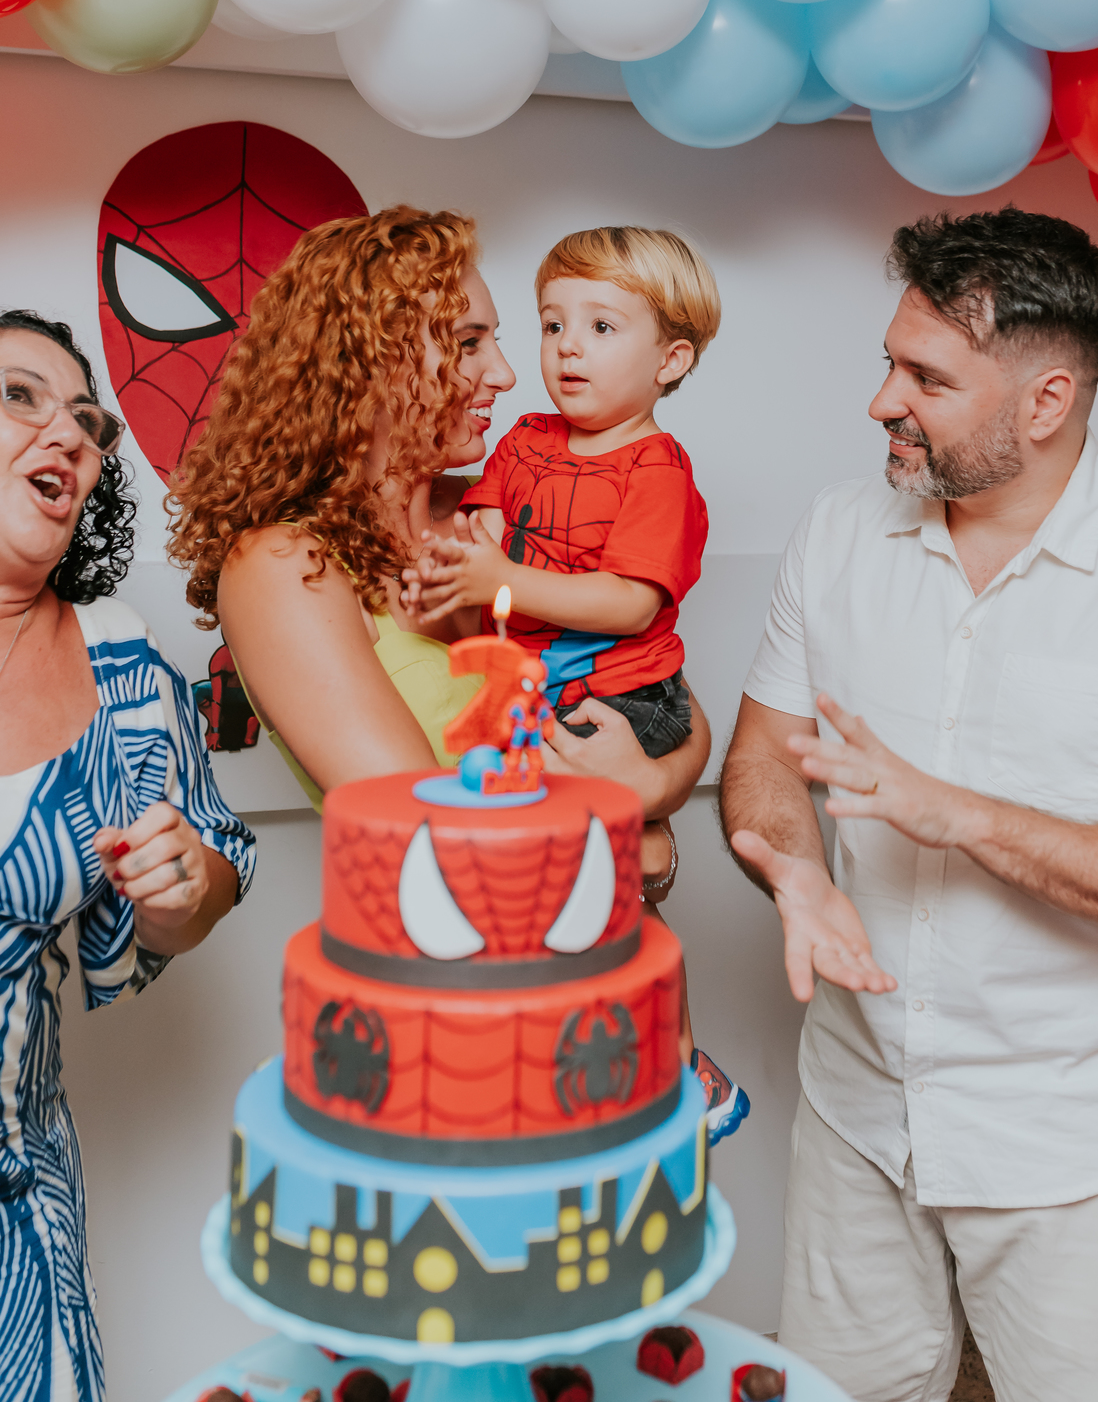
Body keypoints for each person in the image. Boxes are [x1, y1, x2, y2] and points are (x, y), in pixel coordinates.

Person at [719, 207, 1098, 1402]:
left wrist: (961, 815)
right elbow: (765, 757)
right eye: (888, 360)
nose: (882, 399)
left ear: (1044, 401)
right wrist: (796, 872)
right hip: (857, 1111)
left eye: (925, 376)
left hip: (1070, 1141)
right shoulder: (838, 532)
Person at [167, 207, 709, 844]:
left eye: (499, 340)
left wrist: (654, 790)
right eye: (468, 343)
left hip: (623, 936)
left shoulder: (514, 507)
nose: (507, 374)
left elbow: (663, 690)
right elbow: (431, 837)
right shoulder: (282, 565)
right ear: (366, 363)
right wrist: (642, 832)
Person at [408, 226, 746, 1138]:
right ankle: (612, 1062)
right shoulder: (523, 439)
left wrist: (500, 584)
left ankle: (682, 1065)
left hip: (629, 696)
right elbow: (480, 525)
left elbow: (632, 604)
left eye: (601, 328)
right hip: (543, 692)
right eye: (553, 324)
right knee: (569, 895)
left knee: (609, 891)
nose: (565, 349)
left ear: (672, 360)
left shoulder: (657, 472)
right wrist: (473, 555)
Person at [0, 308, 255, 1402]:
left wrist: (183, 890)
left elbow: (217, 863)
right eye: (19, 396)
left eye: (87, 421)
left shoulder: (120, 669)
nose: (66, 432)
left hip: (16, 1214)